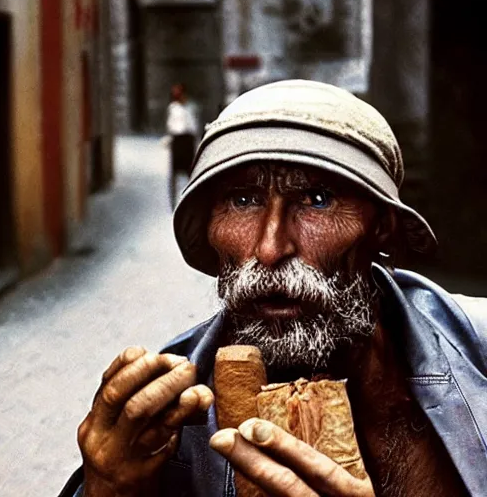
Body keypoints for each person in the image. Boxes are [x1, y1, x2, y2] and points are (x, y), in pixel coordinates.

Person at [60, 80, 487, 497]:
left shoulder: (477, 350)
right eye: (242, 200)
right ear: (211, 230)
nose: (269, 249)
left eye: (317, 199)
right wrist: (108, 488)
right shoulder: (162, 426)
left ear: (381, 228)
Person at [166, 83, 198, 210]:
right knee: (174, 172)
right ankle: (173, 202)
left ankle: (192, 200)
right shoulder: (173, 108)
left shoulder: (190, 107)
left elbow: (193, 124)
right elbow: (171, 125)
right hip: (177, 140)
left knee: (190, 171)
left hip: (188, 140)